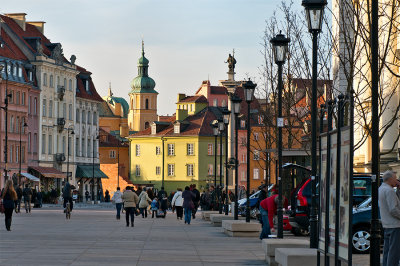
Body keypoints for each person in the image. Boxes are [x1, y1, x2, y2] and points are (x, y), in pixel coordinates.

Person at [379, 170, 400, 266]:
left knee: (387, 251)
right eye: (395, 179)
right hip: (395, 225)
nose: (396, 181)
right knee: (394, 252)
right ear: (390, 179)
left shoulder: (381, 188)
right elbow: (393, 210)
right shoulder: (389, 191)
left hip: (386, 224)